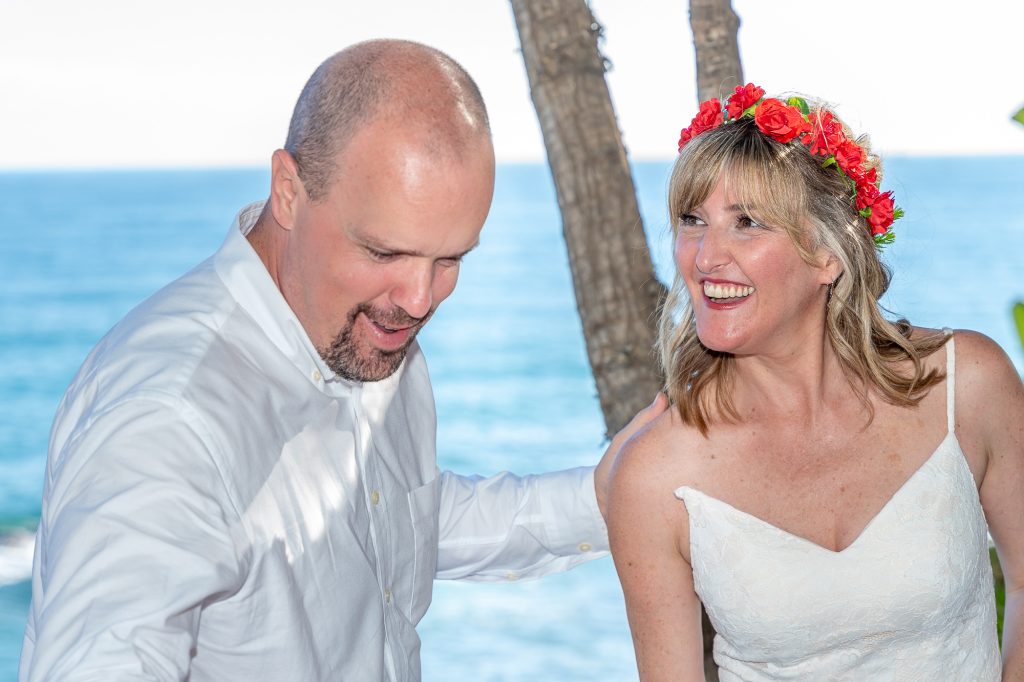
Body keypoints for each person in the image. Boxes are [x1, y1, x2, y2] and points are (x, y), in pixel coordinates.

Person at [20, 40, 665, 681]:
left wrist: (607, 496)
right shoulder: (166, 420)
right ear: (288, 192)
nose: (419, 300)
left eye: (450, 260)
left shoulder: (363, 333)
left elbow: (394, 521)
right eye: (384, 253)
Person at [607, 84, 1024, 680]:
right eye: (692, 220)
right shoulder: (656, 476)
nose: (704, 256)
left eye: (747, 222)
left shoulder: (965, 385)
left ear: (829, 255)